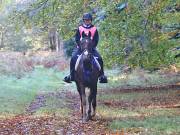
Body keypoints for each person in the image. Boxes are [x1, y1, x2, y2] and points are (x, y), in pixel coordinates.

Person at [63, 13, 107, 83]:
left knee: (99, 58)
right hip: (80, 49)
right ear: (83, 20)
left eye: (88, 20)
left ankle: (102, 76)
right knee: (73, 58)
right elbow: (77, 38)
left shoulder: (94, 29)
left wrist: (92, 47)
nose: (87, 21)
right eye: (86, 20)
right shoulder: (80, 28)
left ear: (91, 20)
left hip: (91, 49)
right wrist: (80, 46)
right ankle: (71, 75)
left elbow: (96, 39)